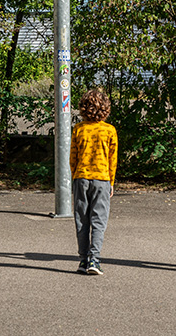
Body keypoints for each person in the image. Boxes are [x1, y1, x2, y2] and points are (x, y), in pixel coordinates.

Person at [70, 88, 118, 276]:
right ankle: (94, 259)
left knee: (81, 218)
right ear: (106, 109)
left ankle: (83, 258)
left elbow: (72, 157)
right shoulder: (110, 130)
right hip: (102, 179)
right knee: (99, 219)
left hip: (81, 177)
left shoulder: (79, 129)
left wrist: (76, 176)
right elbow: (112, 159)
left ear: (83, 108)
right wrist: (111, 182)